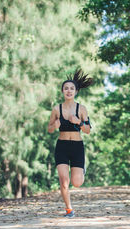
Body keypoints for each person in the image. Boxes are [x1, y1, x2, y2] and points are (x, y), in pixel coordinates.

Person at [47, 69, 93, 218]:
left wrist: (78, 122)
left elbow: (87, 130)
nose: (69, 91)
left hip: (77, 147)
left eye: (71, 88)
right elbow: (49, 129)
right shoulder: (56, 109)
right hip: (62, 146)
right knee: (64, 180)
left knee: (77, 182)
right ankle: (69, 209)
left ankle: (81, 171)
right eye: (66, 88)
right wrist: (55, 125)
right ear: (62, 91)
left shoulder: (82, 109)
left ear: (76, 91)